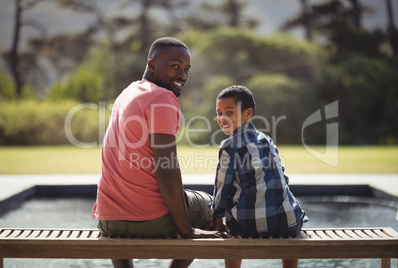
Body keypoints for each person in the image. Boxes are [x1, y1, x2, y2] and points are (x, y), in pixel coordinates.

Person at [92, 37, 221, 268]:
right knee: (213, 206)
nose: (182, 75)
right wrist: (187, 229)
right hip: (149, 219)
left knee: (186, 198)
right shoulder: (162, 97)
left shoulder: (127, 93)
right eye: (175, 66)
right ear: (152, 66)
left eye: (186, 69)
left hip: (108, 221)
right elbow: (167, 169)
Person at [210, 85, 307, 268]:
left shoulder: (229, 146)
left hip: (247, 226)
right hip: (287, 223)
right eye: (219, 113)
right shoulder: (267, 140)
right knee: (290, 214)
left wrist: (216, 218)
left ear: (248, 113)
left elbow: (222, 190)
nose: (222, 118)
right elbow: (282, 180)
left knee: (231, 221)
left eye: (229, 112)